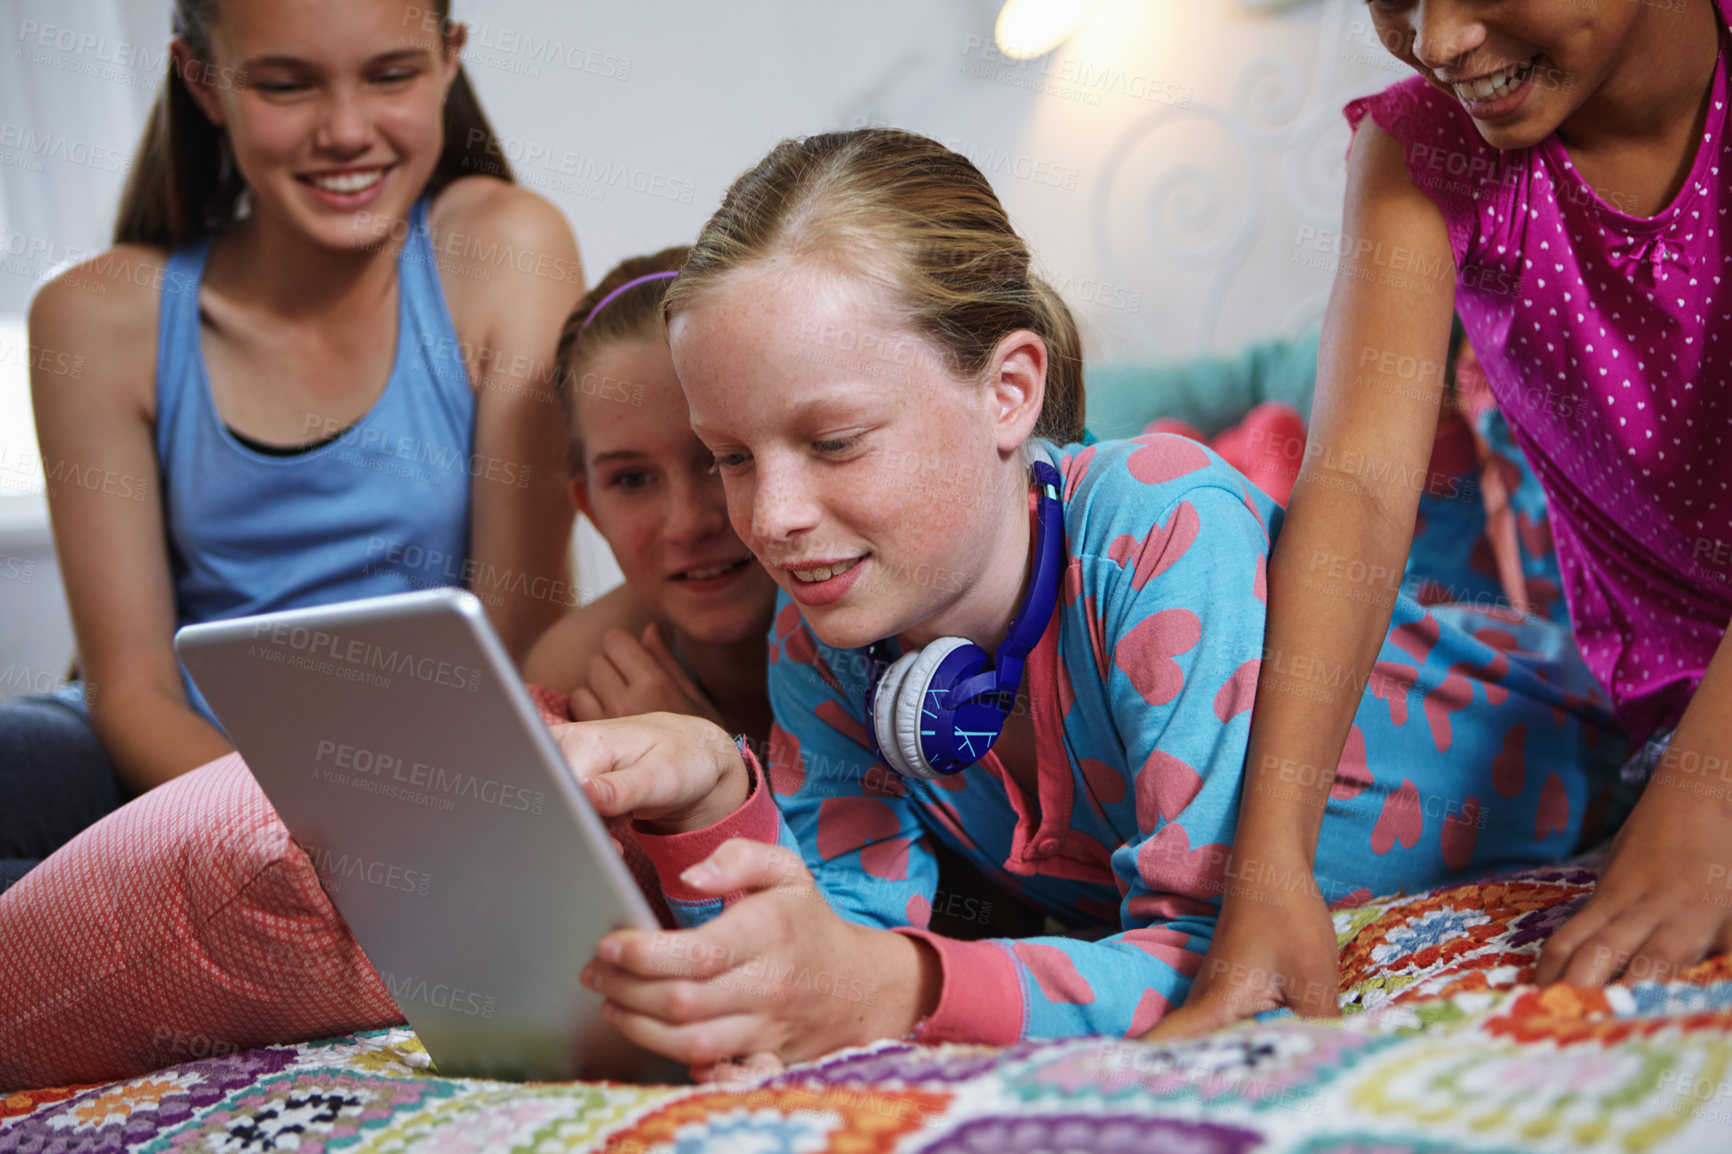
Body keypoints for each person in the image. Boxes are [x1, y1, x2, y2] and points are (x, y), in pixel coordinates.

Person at [549, 128, 1626, 1072]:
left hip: (1588, 758)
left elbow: (1221, 951)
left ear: (1009, 391)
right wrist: (704, 798)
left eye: (833, 441)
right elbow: (822, 948)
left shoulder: (1161, 523)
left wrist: (905, 988)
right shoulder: (822, 634)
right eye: (730, 455)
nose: (770, 516)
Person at [1157, 0, 1732, 1036]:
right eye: (1393, 0)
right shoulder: (1419, 154)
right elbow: (1361, 488)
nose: (1437, 40)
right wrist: (1271, 861)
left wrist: (1710, 798)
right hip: (1673, 725)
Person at [0, 0, 579, 886]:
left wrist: (389, 843)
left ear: (449, 60)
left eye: (391, 75)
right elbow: (132, 692)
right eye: (284, 84)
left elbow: (524, 629)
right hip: (188, 782)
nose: (346, 132)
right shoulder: (94, 317)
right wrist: (297, 835)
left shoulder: (503, 250)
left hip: (439, 791)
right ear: (204, 81)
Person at [523, 249, 776, 749]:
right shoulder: (574, 683)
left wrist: (712, 762)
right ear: (591, 509)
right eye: (633, 480)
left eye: (719, 458)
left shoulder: (897, 635)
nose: (687, 524)